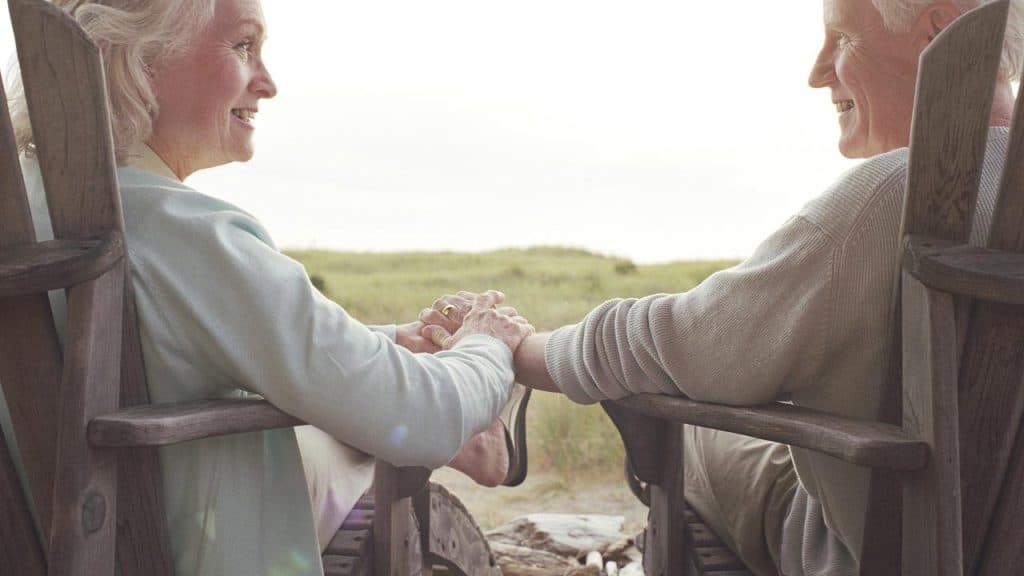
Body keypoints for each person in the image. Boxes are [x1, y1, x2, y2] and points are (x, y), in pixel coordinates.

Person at [421, 0, 1023, 574]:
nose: (818, 74)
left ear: (939, 35)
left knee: (699, 432)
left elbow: (678, 343)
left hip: (875, 555)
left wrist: (509, 347)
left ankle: (646, 484)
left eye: (842, 38)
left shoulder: (884, 201)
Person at [6, 0, 534, 574]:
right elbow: (421, 416)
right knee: (363, 431)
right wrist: (487, 343)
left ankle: (452, 424)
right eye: (242, 46)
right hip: (176, 546)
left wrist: (390, 341)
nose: (269, 83)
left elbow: (176, 342)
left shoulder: (26, 213)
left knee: (343, 401)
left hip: (37, 536)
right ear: (141, 58)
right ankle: (471, 438)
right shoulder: (190, 235)